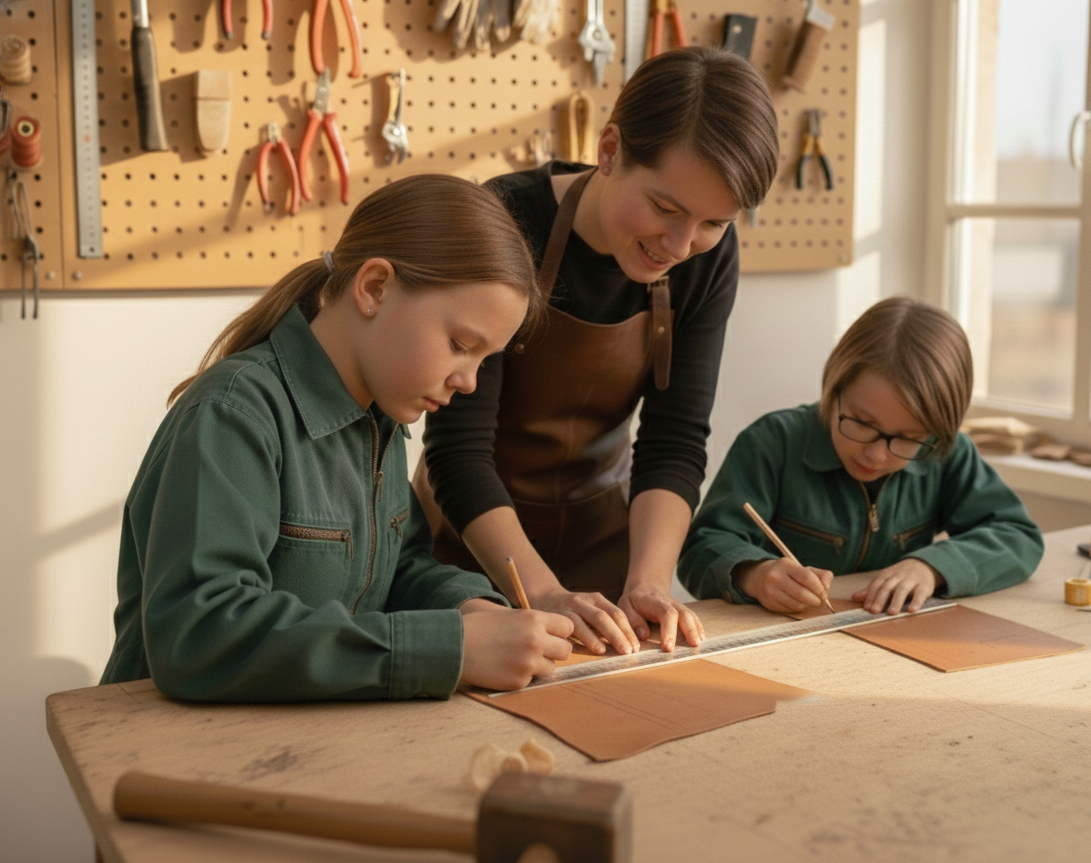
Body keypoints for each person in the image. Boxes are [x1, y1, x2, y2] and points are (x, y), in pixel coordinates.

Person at [100, 174, 575, 702]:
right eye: (461, 344)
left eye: (485, 360)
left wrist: (468, 609)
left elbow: (400, 571)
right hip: (175, 759)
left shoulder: (384, 419)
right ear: (374, 288)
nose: (469, 381)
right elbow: (199, 633)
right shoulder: (234, 414)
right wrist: (448, 647)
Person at [413, 47, 780, 656]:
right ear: (609, 151)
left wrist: (650, 582)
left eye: (714, 222)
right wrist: (543, 592)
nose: (682, 245)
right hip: (469, 545)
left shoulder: (707, 255)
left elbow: (674, 440)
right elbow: (457, 454)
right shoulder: (504, 220)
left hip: (603, 547)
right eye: (665, 208)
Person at [678, 296, 1044, 615]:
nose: (876, 454)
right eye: (862, 423)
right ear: (834, 386)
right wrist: (754, 574)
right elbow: (700, 547)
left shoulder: (945, 453)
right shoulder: (773, 443)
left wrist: (931, 567)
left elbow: (1018, 536)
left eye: (907, 438)